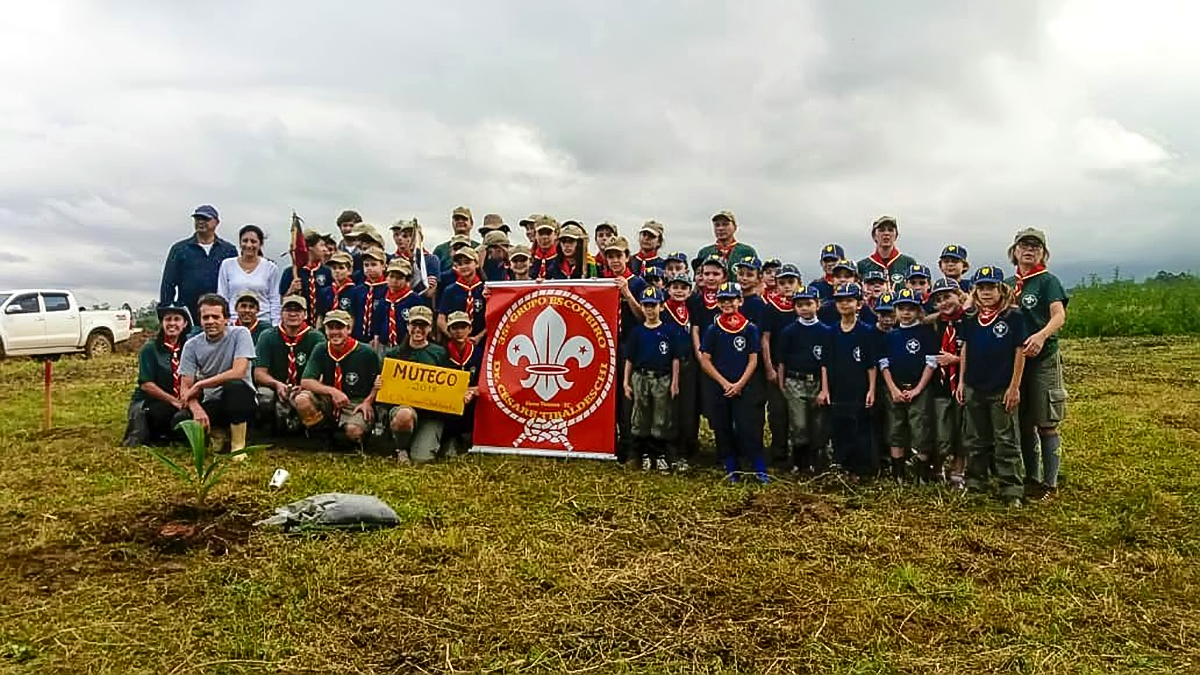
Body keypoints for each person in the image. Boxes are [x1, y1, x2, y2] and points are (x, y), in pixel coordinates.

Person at [957, 265, 1027, 507]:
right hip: (974, 384)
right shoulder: (970, 318)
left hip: (1001, 386)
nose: (986, 292)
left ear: (1001, 288)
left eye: (991, 287)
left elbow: (1020, 351)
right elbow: (964, 348)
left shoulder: (1013, 317)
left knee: (1005, 439)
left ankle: (1012, 488)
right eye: (982, 287)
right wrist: (961, 381)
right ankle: (976, 482)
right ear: (975, 290)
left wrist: (1015, 386)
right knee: (975, 438)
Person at [1007, 228, 1069, 501]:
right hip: (1017, 361)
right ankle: (1031, 477)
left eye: (1035, 246)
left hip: (1043, 358)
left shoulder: (1047, 281)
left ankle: (1050, 483)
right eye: (1024, 245)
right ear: (1014, 251)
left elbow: (1059, 315)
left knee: (1046, 421)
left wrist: (1042, 336)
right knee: (1024, 422)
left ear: (1044, 252)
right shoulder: (1009, 284)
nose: (1029, 250)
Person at [175, 294, 258, 458]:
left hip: (242, 399)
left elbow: (239, 371)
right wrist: (196, 408)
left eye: (216, 316)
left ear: (226, 319)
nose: (210, 321)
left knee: (235, 387)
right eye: (206, 317)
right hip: (212, 400)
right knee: (180, 421)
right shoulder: (192, 345)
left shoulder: (240, 334)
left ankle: (238, 446)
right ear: (200, 319)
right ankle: (219, 433)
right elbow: (185, 386)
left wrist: (200, 385)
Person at [699, 281, 766, 482]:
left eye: (732, 299)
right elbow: (705, 359)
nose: (727, 304)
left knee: (749, 427)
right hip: (720, 387)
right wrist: (724, 383)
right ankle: (731, 466)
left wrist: (739, 384)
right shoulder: (713, 329)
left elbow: (754, 359)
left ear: (740, 301)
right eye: (723, 300)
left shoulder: (750, 328)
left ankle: (757, 466)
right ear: (718, 303)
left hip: (743, 387)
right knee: (723, 426)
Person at [376, 305, 451, 463]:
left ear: (430, 328)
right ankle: (400, 447)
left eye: (423, 326)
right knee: (405, 415)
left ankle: (422, 443)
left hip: (430, 413)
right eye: (414, 325)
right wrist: (379, 384)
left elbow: (449, 386)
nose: (418, 330)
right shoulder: (394, 354)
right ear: (408, 326)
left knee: (421, 459)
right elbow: (384, 388)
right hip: (403, 408)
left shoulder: (440, 353)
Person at [879, 287, 938, 483]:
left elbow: (931, 363)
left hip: (919, 389)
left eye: (910, 309)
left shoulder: (926, 333)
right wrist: (893, 389)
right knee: (895, 429)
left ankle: (921, 474)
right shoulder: (890, 336)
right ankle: (898, 475)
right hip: (894, 389)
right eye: (901, 308)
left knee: (921, 429)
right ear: (895, 311)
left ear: (918, 311)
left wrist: (917, 389)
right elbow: (883, 364)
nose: (905, 313)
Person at [295, 310, 379, 445]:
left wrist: (368, 402)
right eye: (330, 327)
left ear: (349, 329)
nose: (334, 332)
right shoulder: (321, 349)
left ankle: (357, 440)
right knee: (302, 399)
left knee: (354, 431)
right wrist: (333, 391)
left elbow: (380, 381)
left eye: (339, 327)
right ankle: (322, 436)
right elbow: (306, 381)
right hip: (329, 400)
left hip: (355, 402)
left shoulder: (366, 352)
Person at [624, 287, 682, 471]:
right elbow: (630, 359)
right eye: (646, 306)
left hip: (662, 379)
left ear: (662, 307)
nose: (650, 310)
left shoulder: (669, 331)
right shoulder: (637, 332)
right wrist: (626, 382)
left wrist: (674, 382)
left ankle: (660, 454)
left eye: (654, 305)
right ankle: (640, 454)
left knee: (660, 417)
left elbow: (675, 358)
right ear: (641, 307)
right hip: (640, 377)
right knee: (640, 415)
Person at [122, 303, 194, 446]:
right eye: (168, 319)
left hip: (185, 400)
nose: (172, 323)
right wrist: (174, 401)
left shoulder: (190, 347)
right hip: (155, 401)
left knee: (185, 418)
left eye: (177, 319)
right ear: (162, 323)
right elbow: (147, 385)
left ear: (185, 323)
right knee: (164, 415)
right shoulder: (150, 349)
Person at [777, 287, 831, 475]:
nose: (805, 308)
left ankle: (817, 463)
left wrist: (825, 389)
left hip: (817, 381)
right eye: (800, 305)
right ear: (795, 308)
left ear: (817, 304)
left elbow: (826, 363)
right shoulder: (789, 331)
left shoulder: (825, 331)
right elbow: (782, 361)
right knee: (799, 424)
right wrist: (782, 384)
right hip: (795, 381)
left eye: (809, 304)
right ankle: (799, 463)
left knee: (818, 424)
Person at [253, 295, 327, 434]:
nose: (293, 314)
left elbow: (323, 373)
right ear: (281, 313)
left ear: (305, 314)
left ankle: (313, 433)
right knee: (263, 396)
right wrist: (277, 384)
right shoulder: (267, 335)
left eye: (298, 310)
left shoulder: (317, 337)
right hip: (276, 386)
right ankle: (268, 432)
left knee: (303, 400)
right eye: (288, 310)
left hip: (304, 388)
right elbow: (259, 373)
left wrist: (305, 386)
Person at [826, 283, 877, 482]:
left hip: (860, 387)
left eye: (849, 300)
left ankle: (861, 470)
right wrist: (825, 389)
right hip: (838, 387)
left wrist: (871, 390)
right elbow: (825, 364)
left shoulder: (866, 331)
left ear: (859, 304)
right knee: (840, 427)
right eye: (840, 300)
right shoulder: (831, 331)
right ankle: (843, 467)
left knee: (861, 428)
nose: (844, 304)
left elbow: (871, 365)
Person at [159, 205, 238, 320]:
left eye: (205, 219)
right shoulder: (179, 249)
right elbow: (168, 283)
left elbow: (235, 282)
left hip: (218, 316)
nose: (200, 222)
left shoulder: (228, 250)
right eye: (197, 219)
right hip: (188, 315)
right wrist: (166, 311)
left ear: (216, 222)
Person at [929, 278, 967, 489]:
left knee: (963, 430)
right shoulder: (933, 323)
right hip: (941, 386)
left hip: (964, 384)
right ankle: (938, 467)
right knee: (942, 431)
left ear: (959, 295)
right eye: (939, 299)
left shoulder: (970, 320)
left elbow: (980, 353)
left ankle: (958, 471)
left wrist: (957, 359)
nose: (944, 302)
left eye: (948, 296)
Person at [761, 263, 801, 465]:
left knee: (798, 414)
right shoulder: (771, 307)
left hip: (797, 369)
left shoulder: (803, 307)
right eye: (782, 282)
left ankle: (799, 455)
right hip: (776, 367)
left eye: (791, 282)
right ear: (776, 285)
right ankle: (778, 453)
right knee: (777, 413)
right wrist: (769, 367)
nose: (787, 286)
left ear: (798, 283)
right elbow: (765, 339)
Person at [663, 272, 697, 467]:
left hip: (688, 364)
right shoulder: (663, 309)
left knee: (687, 410)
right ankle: (670, 451)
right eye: (675, 287)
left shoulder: (689, 309)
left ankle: (686, 451)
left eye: (683, 287)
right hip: (668, 366)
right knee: (670, 410)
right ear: (668, 289)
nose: (679, 291)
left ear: (689, 290)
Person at [216, 224, 282, 325]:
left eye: (253, 241)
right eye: (245, 241)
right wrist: (225, 321)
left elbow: (275, 298)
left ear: (260, 244)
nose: (249, 245)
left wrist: (275, 324)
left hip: (262, 321)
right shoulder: (227, 265)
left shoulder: (270, 268)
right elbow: (222, 296)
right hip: (234, 322)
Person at [443, 311, 484, 453]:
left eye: (463, 327)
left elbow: (485, 382)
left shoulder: (480, 353)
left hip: (473, 400)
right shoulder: (442, 353)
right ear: (448, 330)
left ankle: (472, 437)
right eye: (455, 328)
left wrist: (473, 391)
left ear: (470, 329)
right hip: (448, 402)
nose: (459, 332)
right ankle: (449, 438)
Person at [279, 230, 333, 326]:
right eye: (321, 245)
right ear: (310, 247)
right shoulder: (291, 272)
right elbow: (281, 301)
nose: (325, 249)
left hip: (321, 323)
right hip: (298, 323)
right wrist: (291, 290)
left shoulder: (326, 272)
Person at [373, 259, 429, 351]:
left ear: (407, 280)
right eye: (391, 276)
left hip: (406, 347)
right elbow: (377, 323)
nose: (394, 281)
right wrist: (376, 342)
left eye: (399, 278)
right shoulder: (383, 298)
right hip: (384, 345)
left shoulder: (414, 299)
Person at [870, 292, 897, 475]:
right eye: (883, 315)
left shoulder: (899, 333)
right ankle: (876, 460)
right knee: (875, 423)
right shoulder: (869, 333)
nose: (887, 319)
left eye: (890, 315)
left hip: (895, 386)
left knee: (893, 424)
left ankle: (892, 461)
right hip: (875, 385)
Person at [436, 245, 486, 343]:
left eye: (467, 262)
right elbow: (441, 319)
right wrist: (454, 337)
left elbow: (492, 319)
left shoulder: (485, 289)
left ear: (476, 264)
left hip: (480, 342)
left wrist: (479, 337)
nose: (463, 267)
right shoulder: (450, 290)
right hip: (455, 343)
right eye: (460, 264)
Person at [856, 216, 917, 291]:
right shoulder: (862, 266)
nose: (886, 233)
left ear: (896, 235)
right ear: (874, 235)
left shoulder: (908, 263)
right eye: (881, 230)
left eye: (890, 230)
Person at [390, 219, 441, 300]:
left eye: (408, 235)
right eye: (397, 235)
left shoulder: (430, 259)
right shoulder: (391, 259)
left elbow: (431, 291)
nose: (400, 238)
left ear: (421, 238)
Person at [354, 247, 389, 343]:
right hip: (358, 338)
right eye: (366, 265)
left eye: (374, 264)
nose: (369, 268)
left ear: (384, 266)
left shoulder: (388, 289)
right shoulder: (357, 290)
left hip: (379, 340)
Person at [316, 251, 359, 321]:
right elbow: (320, 316)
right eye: (334, 268)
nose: (337, 271)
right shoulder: (325, 291)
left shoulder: (356, 292)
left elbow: (355, 317)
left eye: (341, 268)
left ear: (350, 271)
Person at [733, 256, 767, 328]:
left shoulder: (759, 304)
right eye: (741, 274)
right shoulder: (732, 299)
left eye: (750, 275)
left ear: (758, 278)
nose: (744, 278)